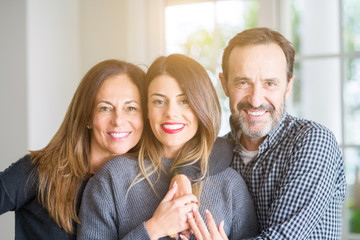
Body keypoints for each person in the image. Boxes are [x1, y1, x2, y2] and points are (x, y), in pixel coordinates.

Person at [186, 27, 346, 239]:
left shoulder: (313, 141)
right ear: (224, 84)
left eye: (270, 84)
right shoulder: (215, 152)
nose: (255, 99)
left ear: (288, 86)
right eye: (243, 82)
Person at [77, 54, 259, 240]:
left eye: (184, 101)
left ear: (201, 106)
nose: (171, 112)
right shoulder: (112, 178)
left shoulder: (230, 185)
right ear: (147, 109)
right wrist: (151, 230)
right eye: (159, 101)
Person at [0, 59, 145, 239]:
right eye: (105, 108)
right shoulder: (39, 171)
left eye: (131, 108)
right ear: (87, 116)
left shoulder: (146, 184)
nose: (118, 120)